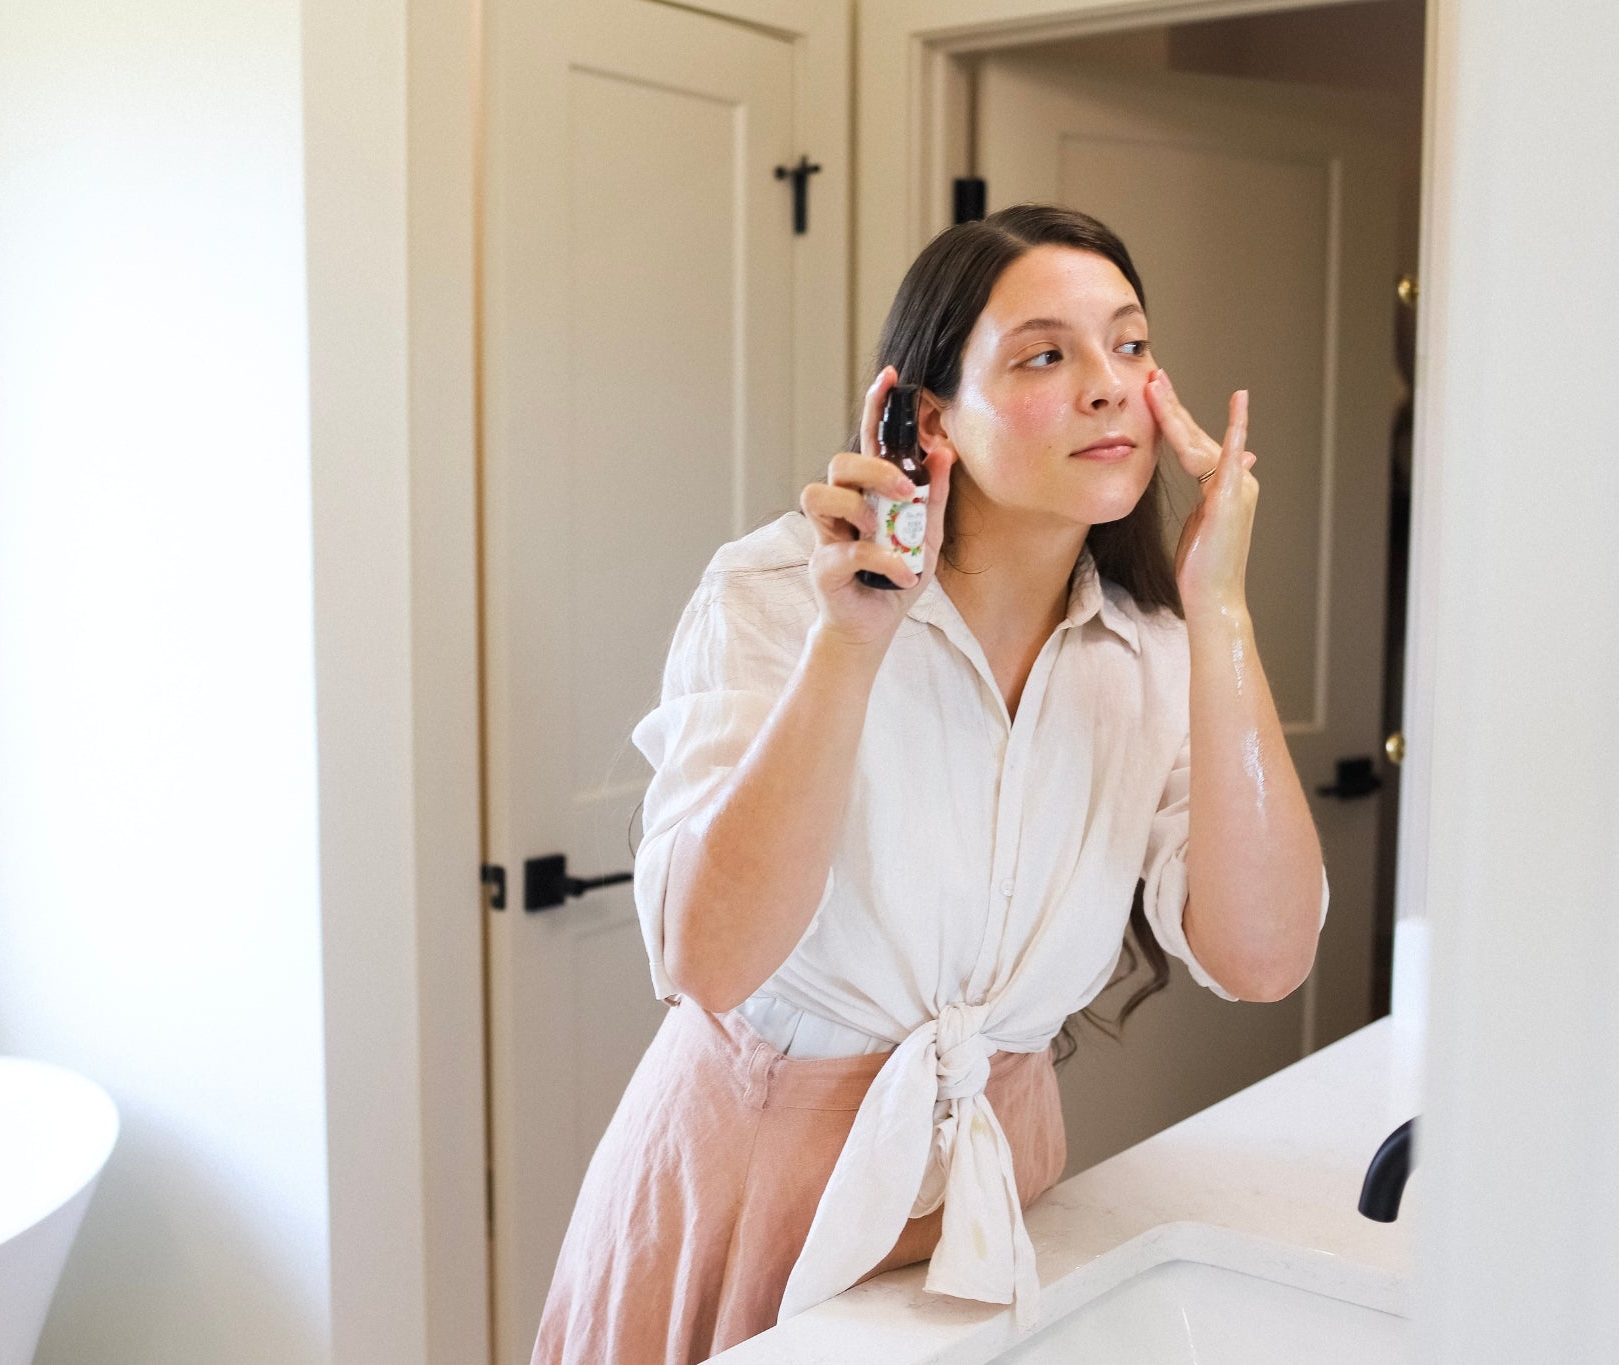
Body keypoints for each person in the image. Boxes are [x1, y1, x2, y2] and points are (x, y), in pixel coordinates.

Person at [532, 203, 1329, 1365]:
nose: (1108, 385)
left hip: (992, 1224)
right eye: (1044, 355)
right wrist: (849, 642)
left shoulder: (1154, 651)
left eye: (1131, 343)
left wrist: (1219, 610)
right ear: (924, 416)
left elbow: (1263, 959)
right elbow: (708, 960)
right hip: (745, 1210)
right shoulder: (772, 597)